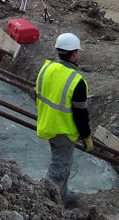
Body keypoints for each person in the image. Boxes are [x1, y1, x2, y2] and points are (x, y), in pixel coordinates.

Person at [35, 32, 93, 207]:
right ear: (74, 53)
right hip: (63, 129)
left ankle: (62, 195)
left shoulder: (46, 68)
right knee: (59, 168)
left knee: (63, 163)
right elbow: (81, 114)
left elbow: (37, 94)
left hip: (47, 122)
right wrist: (87, 137)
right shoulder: (77, 81)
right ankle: (45, 202)